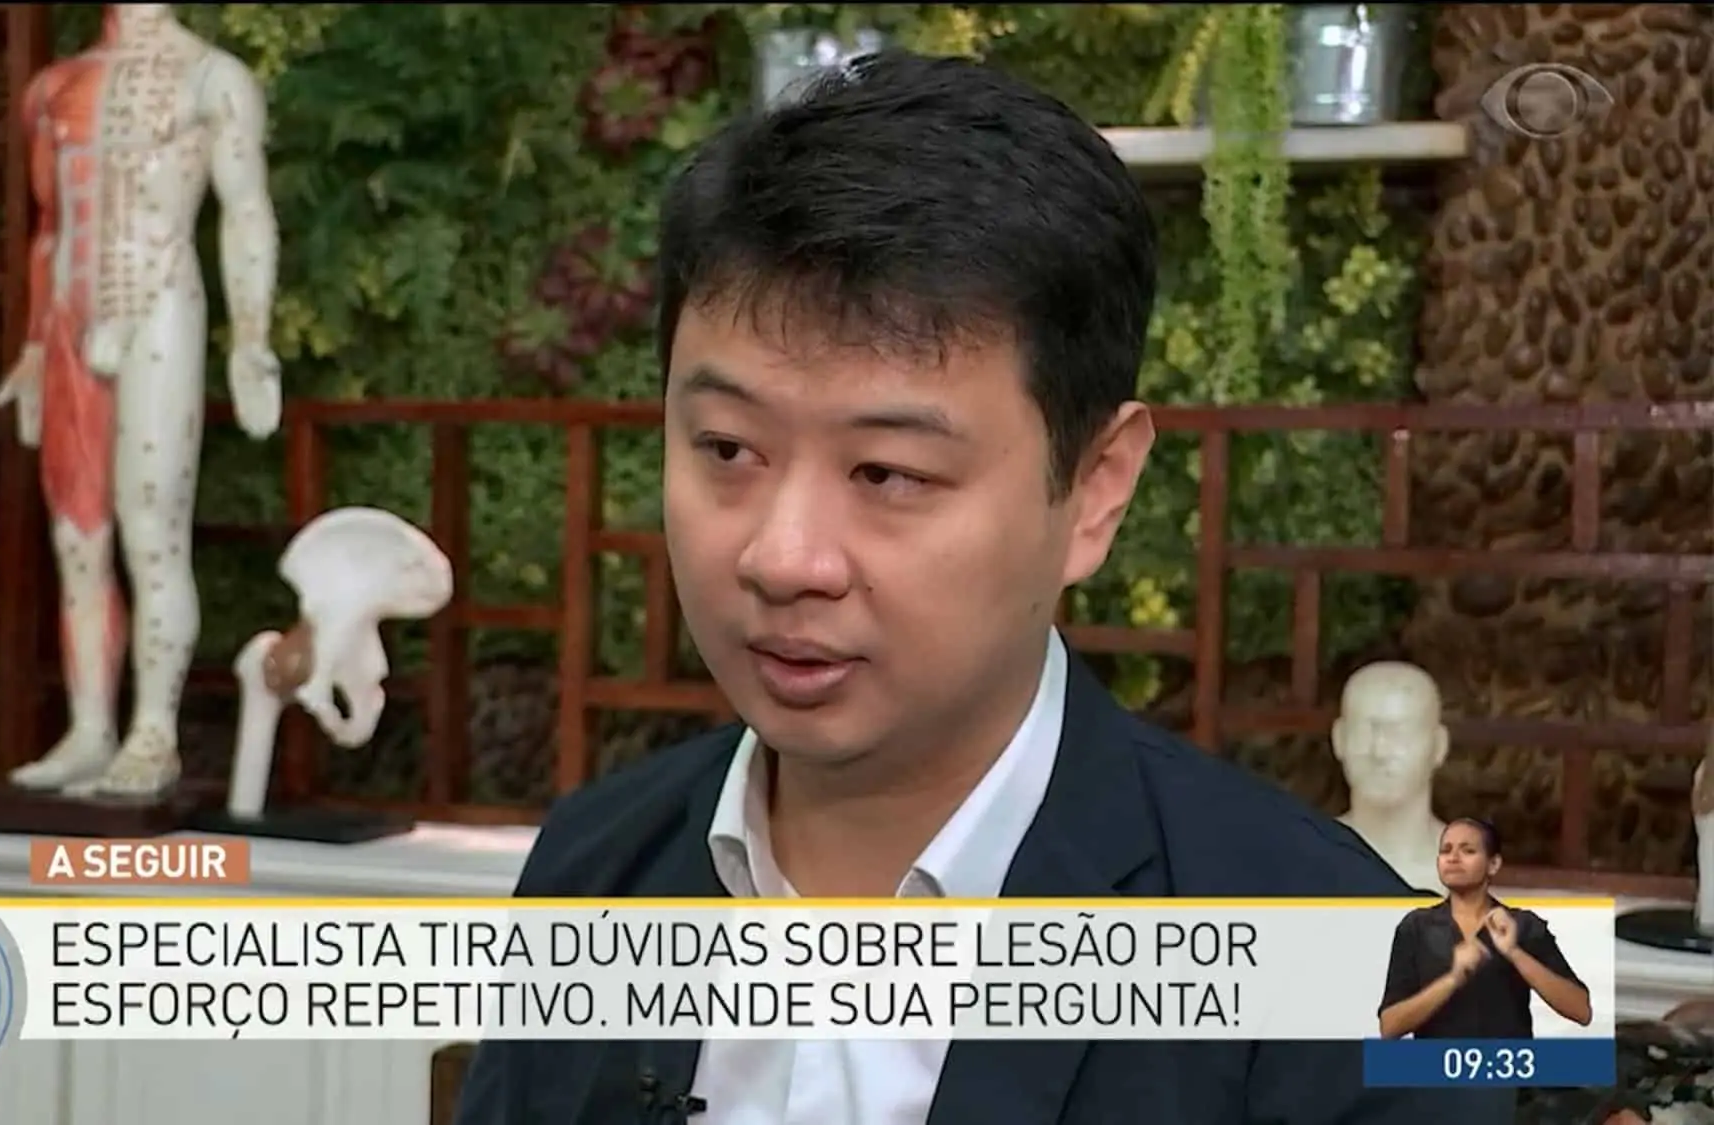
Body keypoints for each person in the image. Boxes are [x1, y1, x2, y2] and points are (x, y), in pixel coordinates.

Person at [455, 50, 1496, 1124]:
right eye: (726, 449)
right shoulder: (595, 866)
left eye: (887, 473)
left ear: (1094, 487)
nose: (783, 557)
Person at [1379, 818, 1594, 1040]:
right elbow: (1390, 1026)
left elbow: (1581, 1010)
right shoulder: (1416, 927)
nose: (1453, 858)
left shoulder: (1522, 925)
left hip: (1507, 1061)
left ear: (1493, 864)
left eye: (1468, 851)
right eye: (1445, 850)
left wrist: (1514, 952)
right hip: (1436, 1062)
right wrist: (1452, 979)